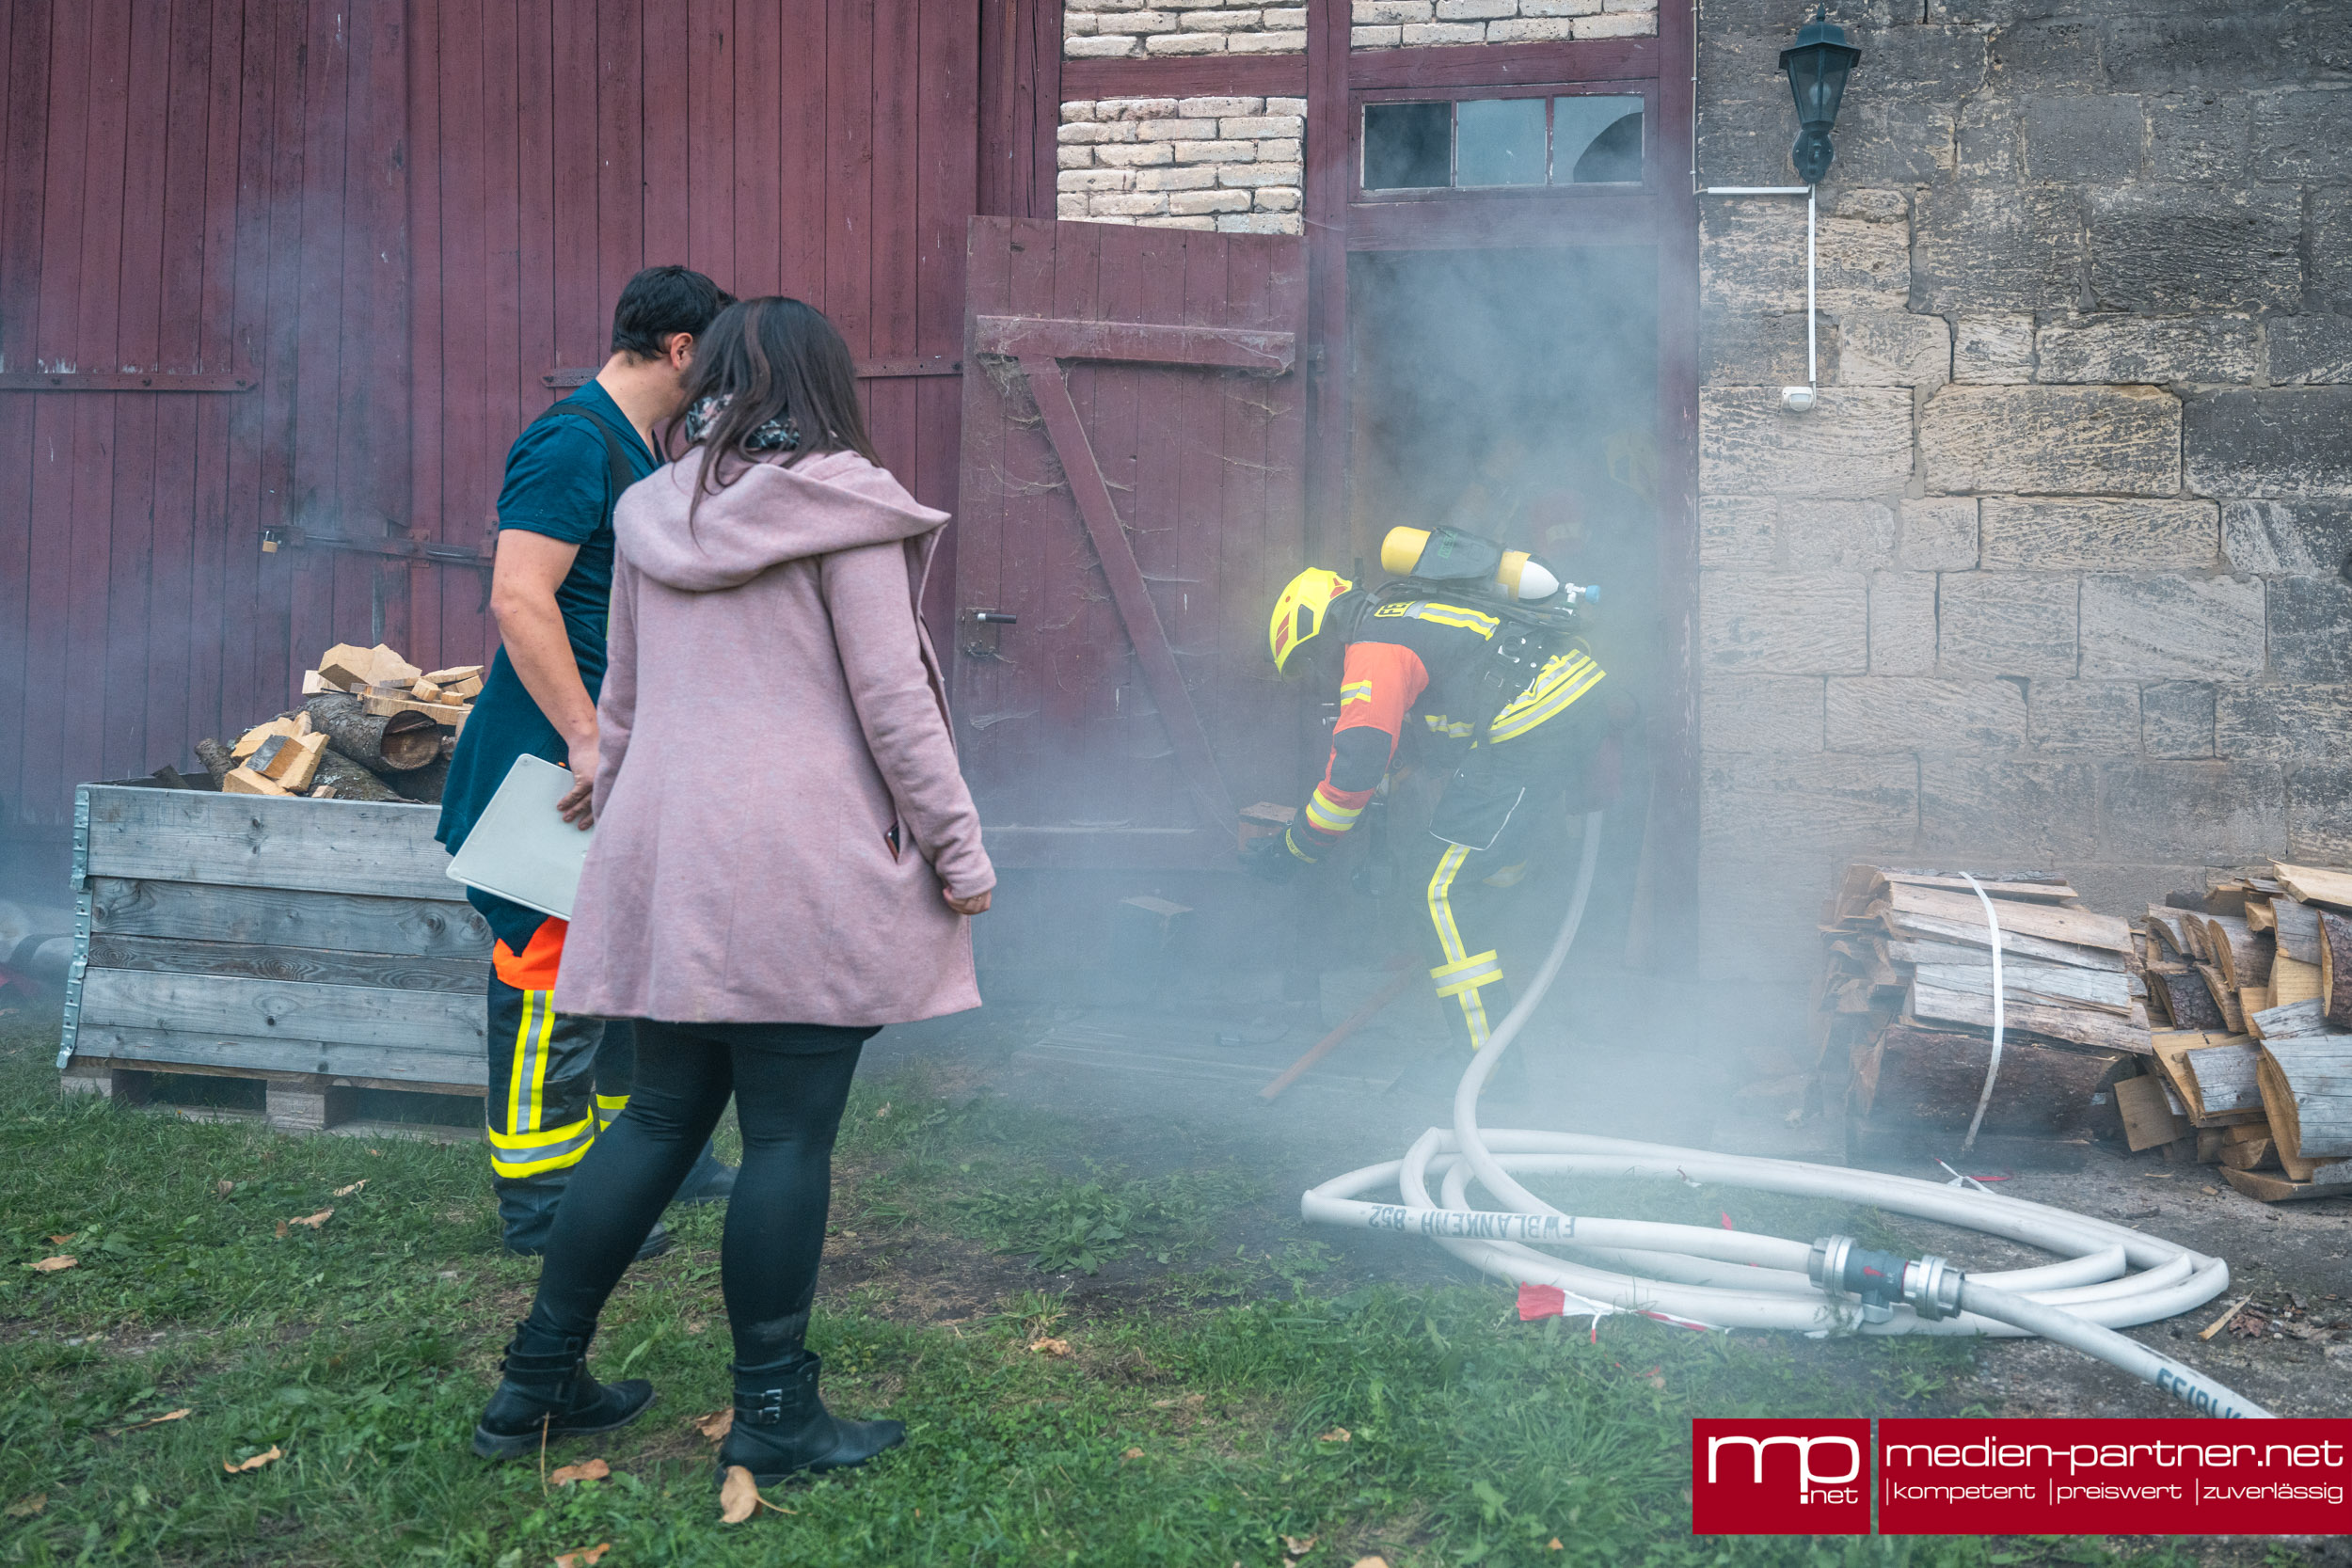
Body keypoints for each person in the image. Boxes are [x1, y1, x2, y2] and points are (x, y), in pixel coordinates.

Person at [469, 296, 995, 1482]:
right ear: (824, 384)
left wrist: (630, 838)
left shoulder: (652, 509)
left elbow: (625, 703)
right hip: (803, 860)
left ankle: (536, 1381)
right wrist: (959, 854)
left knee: (660, 1113)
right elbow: (896, 706)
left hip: (675, 855)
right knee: (788, 1136)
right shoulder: (847, 507)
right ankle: (772, 1411)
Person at [437, 266, 739, 1257]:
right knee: (548, 963)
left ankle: (650, 1161)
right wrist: (586, 737)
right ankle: (544, 1201)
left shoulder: (638, 447)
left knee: (630, 961)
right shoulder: (572, 441)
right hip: (558, 763)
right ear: (683, 349)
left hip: (620, 755)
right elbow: (520, 597)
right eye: (718, 361)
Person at [1242, 547, 1610, 1055]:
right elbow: (1455, 706)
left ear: (1321, 632)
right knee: (1478, 871)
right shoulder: (1407, 616)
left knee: (1436, 888)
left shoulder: (1372, 645)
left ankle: (1487, 1065)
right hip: (1561, 707)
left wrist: (1296, 847)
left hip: (1533, 725)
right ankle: (1486, 973)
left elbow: (1353, 775)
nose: (1322, 677)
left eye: (1311, 662)